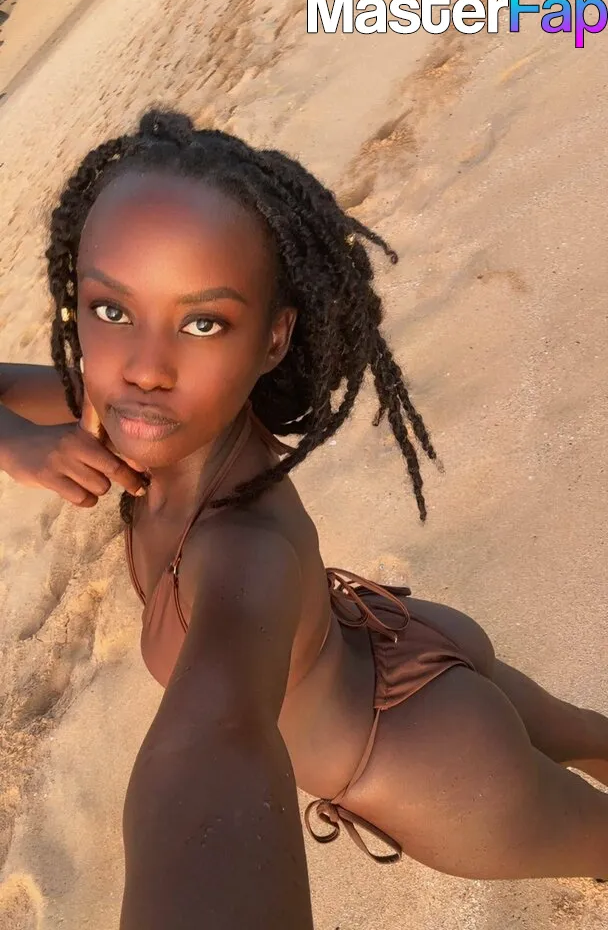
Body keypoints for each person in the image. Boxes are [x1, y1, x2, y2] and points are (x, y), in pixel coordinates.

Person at [1, 108, 607, 930]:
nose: (145, 368)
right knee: (591, 735)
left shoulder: (241, 556)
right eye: (112, 310)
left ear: (274, 337)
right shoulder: (140, 412)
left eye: (203, 323)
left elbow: (209, 752)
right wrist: (19, 443)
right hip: (403, 632)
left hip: (435, 772)